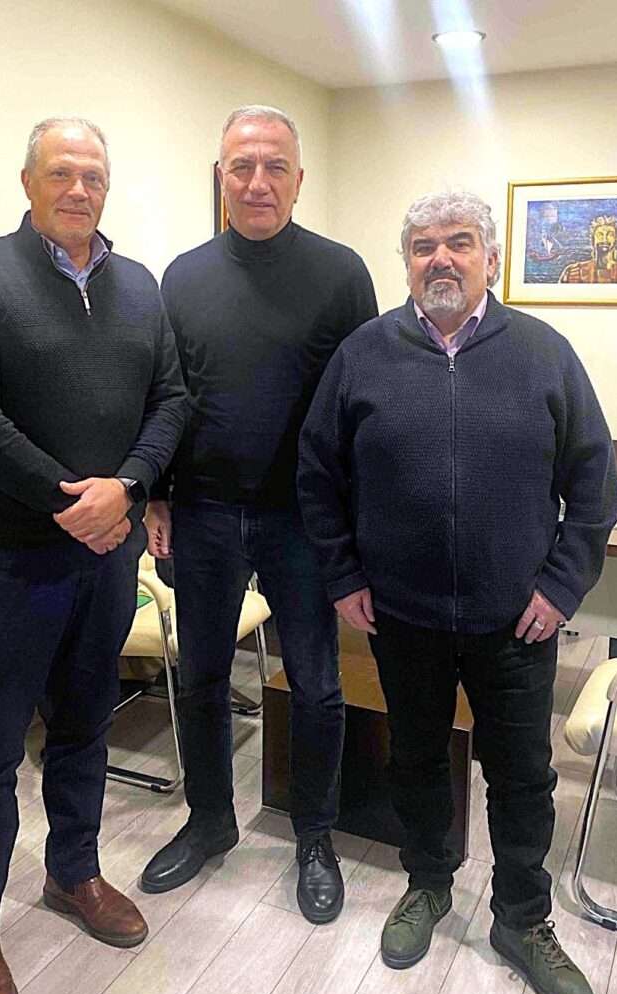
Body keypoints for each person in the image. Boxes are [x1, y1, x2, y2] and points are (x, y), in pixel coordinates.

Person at [298, 191, 617, 994]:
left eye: (459, 242)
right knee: (413, 758)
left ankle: (521, 918)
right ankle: (427, 883)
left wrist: (560, 587)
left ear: (490, 259)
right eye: (422, 245)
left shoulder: (544, 354)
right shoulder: (363, 354)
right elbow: (317, 476)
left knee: (522, 777)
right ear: (405, 262)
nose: (439, 258)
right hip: (400, 615)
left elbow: (593, 486)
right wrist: (341, 575)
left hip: (515, 620)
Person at [0, 117, 187, 994]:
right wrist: (73, 503)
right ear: (28, 181)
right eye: (62, 173)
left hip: (106, 563)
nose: (80, 189)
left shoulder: (139, 285)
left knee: (84, 728)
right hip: (12, 562)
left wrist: (130, 486)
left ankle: (73, 872)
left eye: (94, 176)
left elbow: (171, 398)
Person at [140, 105, 378, 923]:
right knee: (202, 678)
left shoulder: (341, 273)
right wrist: (157, 493)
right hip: (203, 513)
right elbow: (167, 395)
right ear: (221, 177)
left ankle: (313, 837)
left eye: (274, 166)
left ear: (298, 180)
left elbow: (361, 403)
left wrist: (355, 524)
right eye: (241, 166)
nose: (257, 181)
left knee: (316, 686)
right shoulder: (182, 277)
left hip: (303, 521)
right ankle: (210, 821)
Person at [559, 214, 617, 283]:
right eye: (600, 235)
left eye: (610, 234)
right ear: (593, 240)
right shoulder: (574, 272)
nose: (604, 239)